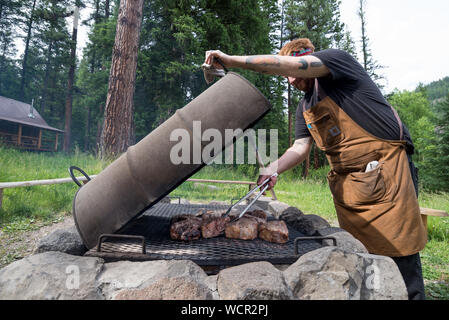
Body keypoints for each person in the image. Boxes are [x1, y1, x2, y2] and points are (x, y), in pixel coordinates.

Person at [204, 38, 428, 300]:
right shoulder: (305, 106)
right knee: (360, 259)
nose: (290, 81)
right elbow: (300, 148)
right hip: (351, 190)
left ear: (307, 58)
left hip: (387, 177)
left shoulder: (337, 63)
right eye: (285, 76)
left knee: (400, 257)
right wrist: (271, 169)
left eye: (290, 73)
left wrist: (230, 60)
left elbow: (298, 66)